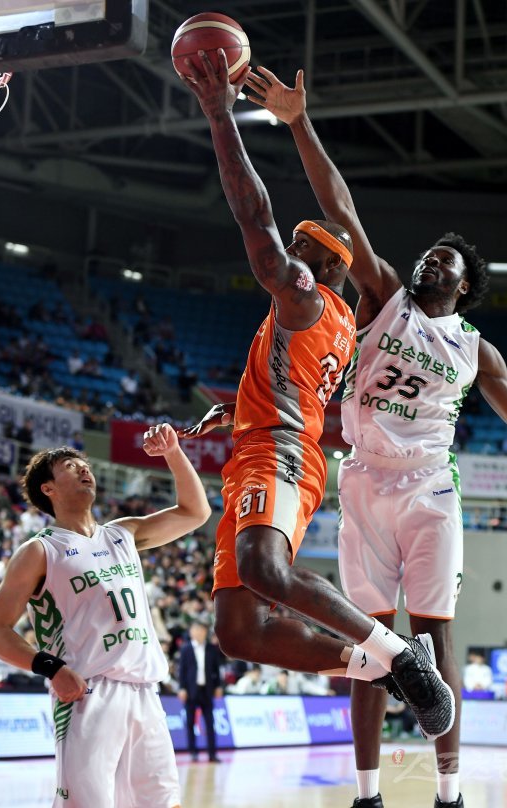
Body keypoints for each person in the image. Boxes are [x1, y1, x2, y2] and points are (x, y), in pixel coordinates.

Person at [244, 65, 507, 808]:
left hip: (428, 490)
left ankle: (449, 793)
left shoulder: (477, 350)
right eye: (426, 256)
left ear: (463, 284)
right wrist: (297, 121)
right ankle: (367, 794)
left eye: (442, 262)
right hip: (363, 481)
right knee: (368, 643)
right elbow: (342, 208)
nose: (428, 262)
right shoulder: (385, 295)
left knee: (435, 636)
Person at [175, 50, 455, 744]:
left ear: (327, 265)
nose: (290, 247)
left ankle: (399, 655)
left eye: (303, 244)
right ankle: (375, 665)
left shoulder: (303, 295)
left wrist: (220, 115)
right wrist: (239, 408)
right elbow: (296, 384)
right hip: (263, 444)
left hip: (280, 453)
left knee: (266, 569)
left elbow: (254, 215)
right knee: (239, 632)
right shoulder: (329, 322)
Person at [0, 423, 211, 808]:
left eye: (84, 464)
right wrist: (52, 668)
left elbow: (195, 512)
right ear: (48, 489)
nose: (84, 469)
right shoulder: (40, 551)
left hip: (144, 690)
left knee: (164, 803)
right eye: (70, 467)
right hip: (87, 693)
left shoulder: (122, 533)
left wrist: (173, 453)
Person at [178, 620, 222, 762]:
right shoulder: (185, 649)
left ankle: (212, 754)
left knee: (210, 723)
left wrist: (218, 686)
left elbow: (216, 670)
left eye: (201, 630)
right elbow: (182, 671)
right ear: (191, 632)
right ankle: (193, 752)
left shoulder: (212, 649)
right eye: (196, 629)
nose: (198, 632)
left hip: (207, 690)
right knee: (190, 723)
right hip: (191, 691)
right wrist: (182, 688)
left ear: (205, 632)